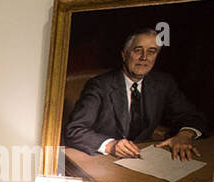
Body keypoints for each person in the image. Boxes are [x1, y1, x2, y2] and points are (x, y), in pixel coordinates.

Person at [63, 28, 206, 161]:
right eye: (138, 50)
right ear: (124, 54)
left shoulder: (163, 83)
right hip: (102, 160)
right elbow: (75, 131)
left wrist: (184, 135)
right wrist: (111, 145)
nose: (144, 57)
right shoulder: (100, 85)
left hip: (144, 160)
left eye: (151, 51)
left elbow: (193, 117)